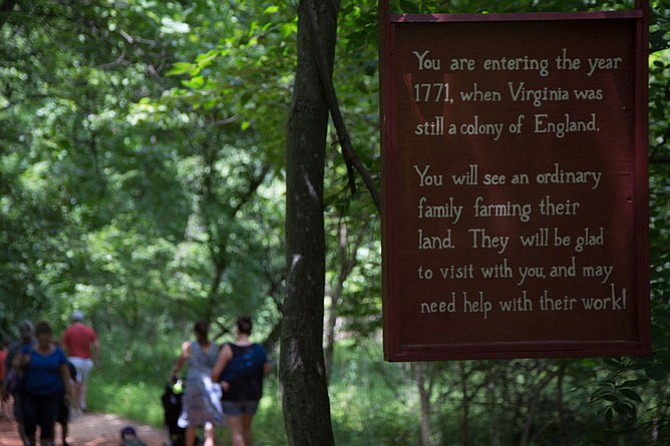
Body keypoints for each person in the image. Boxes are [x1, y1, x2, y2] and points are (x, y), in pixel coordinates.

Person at [211, 316, 270, 446]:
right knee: (247, 429)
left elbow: (215, 374)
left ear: (237, 330)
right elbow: (266, 371)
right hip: (253, 394)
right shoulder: (259, 350)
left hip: (232, 395)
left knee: (236, 433)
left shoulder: (228, 348)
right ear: (250, 330)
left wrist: (222, 381)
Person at [19, 320, 74, 446]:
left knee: (47, 425)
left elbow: (65, 374)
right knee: (29, 422)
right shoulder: (29, 350)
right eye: (41, 339)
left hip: (52, 394)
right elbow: (17, 366)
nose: (44, 342)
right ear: (37, 337)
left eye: (47, 338)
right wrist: (22, 362)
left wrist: (68, 392)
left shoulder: (58, 353)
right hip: (30, 393)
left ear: (50, 336)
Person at [170, 320, 224, 446]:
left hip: (194, 385)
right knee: (210, 422)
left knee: (191, 421)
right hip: (211, 385)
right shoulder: (215, 347)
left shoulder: (188, 346)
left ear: (195, 332)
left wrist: (172, 375)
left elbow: (179, 364)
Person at [3, 320, 35, 444]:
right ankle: (27, 442)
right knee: (21, 418)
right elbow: (7, 368)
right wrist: (5, 386)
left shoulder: (37, 346)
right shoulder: (14, 347)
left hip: (36, 387)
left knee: (32, 418)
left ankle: (30, 441)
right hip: (19, 388)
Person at [62, 310, 99, 414]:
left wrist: (63, 361)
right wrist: (96, 360)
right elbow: (96, 345)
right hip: (87, 361)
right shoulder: (89, 330)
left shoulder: (69, 331)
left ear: (73, 320)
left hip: (74, 360)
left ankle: (71, 406)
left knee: (73, 384)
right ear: (82, 319)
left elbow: (63, 347)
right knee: (83, 383)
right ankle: (81, 404)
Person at [56, 360, 77, 446]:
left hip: (63, 396)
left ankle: (64, 440)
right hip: (50, 395)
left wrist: (70, 395)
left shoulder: (68, 364)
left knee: (64, 421)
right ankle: (52, 440)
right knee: (51, 420)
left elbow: (73, 382)